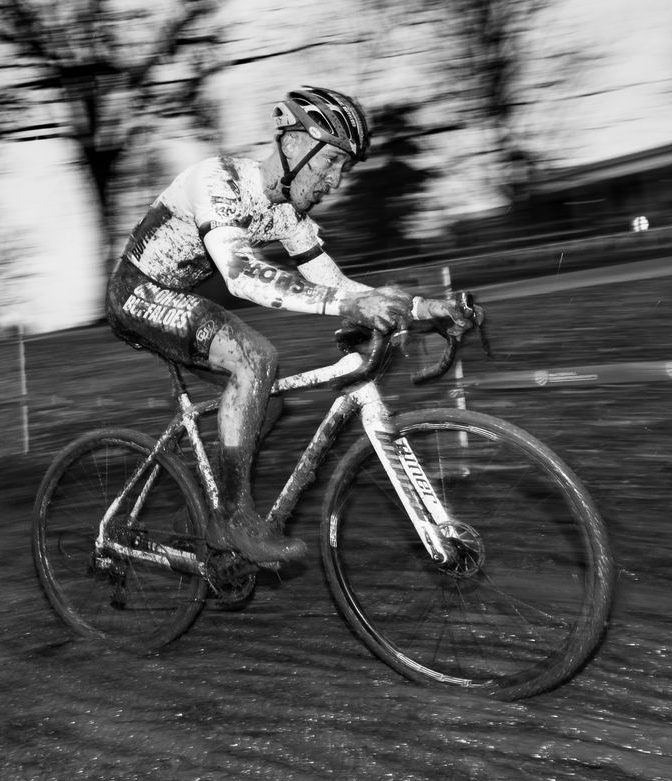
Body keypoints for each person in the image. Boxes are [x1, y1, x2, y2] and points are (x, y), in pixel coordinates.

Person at [105, 85, 471, 566]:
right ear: (295, 144)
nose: (335, 181)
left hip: (179, 297)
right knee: (255, 358)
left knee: (266, 402)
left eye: (344, 169)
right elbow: (240, 274)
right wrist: (346, 304)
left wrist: (422, 308)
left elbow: (332, 281)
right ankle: (232, 518)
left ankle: (196, 521)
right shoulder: (220, 181)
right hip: (138, 293)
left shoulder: (286, 214)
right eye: (332, 163)